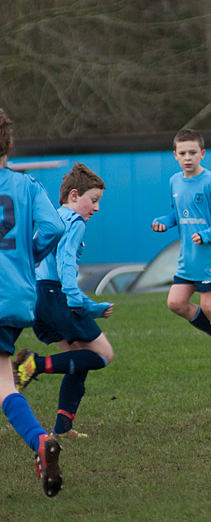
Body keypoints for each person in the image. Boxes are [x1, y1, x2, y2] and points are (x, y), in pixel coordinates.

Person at [15, 163, 116, 443]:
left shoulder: (52, 218)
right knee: (102, 355)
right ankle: (35, 364)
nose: (96, 208)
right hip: (56, 295)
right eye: (93, 200)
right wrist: (78, 301)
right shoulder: (74, 221)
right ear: (74, 196)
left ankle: (62, 428)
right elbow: (66, 262)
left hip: (38, 297)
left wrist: (90, 307)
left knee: (78, 359)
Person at [0, 108, 66, 497]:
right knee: (3, 382)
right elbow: (54, 226)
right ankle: (41, 442)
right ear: (9, 144)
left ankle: (40, 440)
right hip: (15, 294)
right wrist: (30, 256)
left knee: (4, 383)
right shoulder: (26, 185)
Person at [151, 129, 211, 372]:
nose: (188, 157)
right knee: (176, 303)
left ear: (202, 154)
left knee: (209, 306)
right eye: (183, 153)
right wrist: (165, 221)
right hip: (189, 258)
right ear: (175, 155)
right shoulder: (174, 181)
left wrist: (207, 235)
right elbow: (179, 213)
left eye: (193, 152)